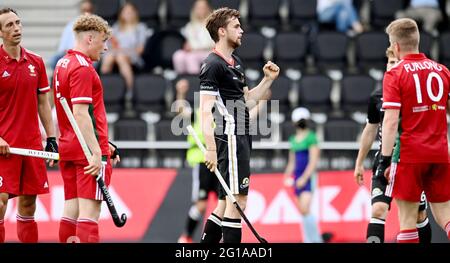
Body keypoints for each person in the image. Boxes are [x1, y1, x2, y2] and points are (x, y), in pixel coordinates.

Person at [199, 7, 280, 243]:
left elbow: (246, 100)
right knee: (238, 201)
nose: (242, 30)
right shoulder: (213, 64)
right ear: (222, 31)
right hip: (230, 136)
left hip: (241, 134)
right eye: (236, 26)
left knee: (225, 202)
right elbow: (205, 110)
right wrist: (211, 148)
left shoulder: (236, 62)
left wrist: (267, 80)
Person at [377, 18, 450, 242]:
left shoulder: (395, 73)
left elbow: (390, 122)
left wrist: (385, 161)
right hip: (439, 153)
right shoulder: (442, 71)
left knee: (407, 221)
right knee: (446, 217)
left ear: (396, 46)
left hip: (410, 155)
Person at [52, 14, 120, 243]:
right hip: (87, 151)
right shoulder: (83, 68)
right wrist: (95, 151)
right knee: (90, 215)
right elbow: (81, 113)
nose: (105, 47)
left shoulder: (62, 63)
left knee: (71, 209)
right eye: (103, 41)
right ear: (90, 38)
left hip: (69, 146)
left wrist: (104, 144)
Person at [354, 47, 432, 243]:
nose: (393, 66)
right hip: (385, 160)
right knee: (378, 209)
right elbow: (370, 129)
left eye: (397, 62)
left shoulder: (417, 93)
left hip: (411, 161)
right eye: (390, 63)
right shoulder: (377, 96)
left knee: (418, 216)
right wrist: (359, 162)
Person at [0, 7, 57, 243]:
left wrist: (51, 139)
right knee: (0, 201)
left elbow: (44, 102)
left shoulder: (36, 62)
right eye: (9, 26)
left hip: (31, 145)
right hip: (4, 147)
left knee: (28, 203)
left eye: (18, 23)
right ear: (1, 33)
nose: (16, 29)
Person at [283, 107, 323, 243]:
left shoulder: (311, 137)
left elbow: (313, 161)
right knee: (302, 211)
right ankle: (308, 239)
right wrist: (287, 176)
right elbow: (292, 162)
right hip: (297, 178)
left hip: (307, 178)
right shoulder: (293, 139)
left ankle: (316, 240)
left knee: (305, 208)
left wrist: (304, 178)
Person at [100, 2, 148, 96]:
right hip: (115, 53)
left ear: (135, 13)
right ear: (121, 14)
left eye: (130, 12)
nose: (128, 14)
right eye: (125, 12)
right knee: (108, 57)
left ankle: (129, 91)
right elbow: (110, 44)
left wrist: (124, 51)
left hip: (132, 55)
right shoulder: (116, 27)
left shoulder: (140, 27)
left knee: (120, 57)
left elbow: (140, 49)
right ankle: (102, 90)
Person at [49, 0, 94, 70]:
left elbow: (99, 49)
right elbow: (62, 48)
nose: (86, 13)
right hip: (70, 54)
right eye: (84, 10)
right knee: (54, 60)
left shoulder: (97, 26)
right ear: (80, 11)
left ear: (92, 11)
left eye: (89, 10)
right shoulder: (71, 25)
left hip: (88, 56)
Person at [172, 0, 214, 75]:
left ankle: (194, 81)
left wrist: (193, 47)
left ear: (208, 8)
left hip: (209, 52)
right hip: (192, 51)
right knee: (178, 55)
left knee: (191, 57)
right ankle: (181, 78)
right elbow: (188, 42)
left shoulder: (213, 24)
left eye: (203, 7)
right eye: (198, 8)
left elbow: (211, 43)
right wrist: (187, 46)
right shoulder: (190, 25)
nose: (200, 10)